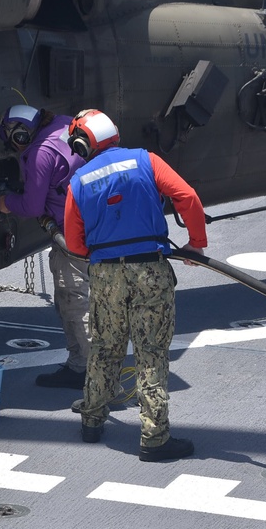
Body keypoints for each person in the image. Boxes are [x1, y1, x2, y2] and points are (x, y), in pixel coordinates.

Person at [63, 109, 207, 462]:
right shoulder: (147, 161)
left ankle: (92, 422)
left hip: (106, 275)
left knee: (105, 348)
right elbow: (186, 196)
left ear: (84, 143)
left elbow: (75, 243)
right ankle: (154, 438)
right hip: (150, 271)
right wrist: (195, 242)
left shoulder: (79, 181)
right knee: (151, 352)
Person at [0, 104, 91, 389]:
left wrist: (5, 202)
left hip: (74, 235)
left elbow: (31, 205)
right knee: (78, 300)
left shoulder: (39, 154)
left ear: (21, 135)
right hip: (96, 224)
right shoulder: (63, 124)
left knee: (74, 302)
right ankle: (82, 367)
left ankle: (89, 373)